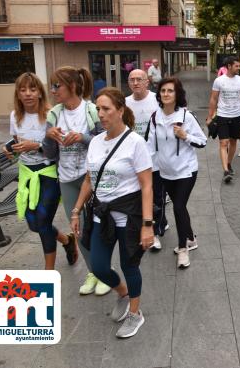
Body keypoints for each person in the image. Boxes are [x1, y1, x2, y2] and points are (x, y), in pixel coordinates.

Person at [71, 87, 153, 338]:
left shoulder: (135, 142)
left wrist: (147, 224)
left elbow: (147, 184)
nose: (100, 114)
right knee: (99, 266)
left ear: (120, 110)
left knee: (130, 266)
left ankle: (135, 314)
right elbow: (89, 179)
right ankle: (123, 294)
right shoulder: (95, 141)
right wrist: (76, 211)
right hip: (100, 216)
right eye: (98, 108)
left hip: (128, 216)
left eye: (106, 108)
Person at [43, 66, 111, 296]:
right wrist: (49, 137)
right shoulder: (53, 114)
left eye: (57, 85)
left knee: (97, 226)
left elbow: (105, 143)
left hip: (90, 177)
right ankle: (94, 271)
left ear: (72, 85)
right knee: (78, 228)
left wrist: (82, 138)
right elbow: (49, 154)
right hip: (66, 177)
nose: (53, 91)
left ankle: (105, 271)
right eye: (52, 86)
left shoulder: (92, 110)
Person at [7, 72, 77, 270]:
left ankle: (48, 274)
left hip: (49, 173)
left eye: (32, 89)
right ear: (18, 94)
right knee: (33, 224)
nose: (28, 93)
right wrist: (9, 146)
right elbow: (16, 139)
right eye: (23, 90)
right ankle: (66, 240)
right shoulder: (15, 116)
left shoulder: (51, 114)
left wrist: (36, 146)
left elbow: (58, 148)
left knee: (44, 222)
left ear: (40, 92)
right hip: (27, 174)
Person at [147, 78, 207, 268]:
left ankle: (183, 249)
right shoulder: (155, 117)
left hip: (186, 171)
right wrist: (146, 169)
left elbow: (202, 141)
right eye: (163, 90)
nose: (166, 94)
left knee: (178, 207)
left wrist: (185, 136)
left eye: (170, 91)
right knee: (181, 208)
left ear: (177, 94)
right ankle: (191, 238)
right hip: (165, 172)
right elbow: (149, 146)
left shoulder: (186, 116)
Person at [125, 69, 169, 252]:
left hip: (155, 159)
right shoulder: (125, 103)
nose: (135, 83)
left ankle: (156, 232)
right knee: (137, 197)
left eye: (139, 79)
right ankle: (154, 224)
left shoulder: (156, 100)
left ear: (147, 82)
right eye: (132, 79)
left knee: (156, 197)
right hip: (133, 160)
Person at [207, 56, 240, 183]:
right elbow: (213, 99)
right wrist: (210, 116)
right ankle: (225, 170)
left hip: (237, 115)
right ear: (229, 66)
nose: (238, 68)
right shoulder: (219, 81)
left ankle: (229, 163)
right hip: (223, 115)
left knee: (233, 142)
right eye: (236, 65)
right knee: (223, 143)